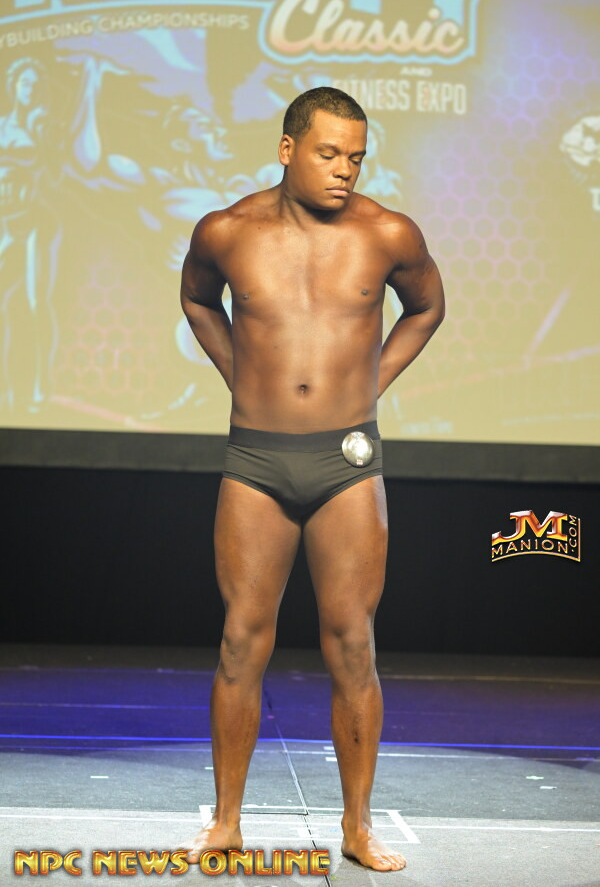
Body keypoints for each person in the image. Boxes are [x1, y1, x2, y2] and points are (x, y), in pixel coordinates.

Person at [178, 86, 445, 873]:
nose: (344, 170)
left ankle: (357, 828)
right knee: (240, 640)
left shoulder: (388, 232)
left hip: (346, 464)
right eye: (328, 153)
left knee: (353, 644)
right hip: (256, 460)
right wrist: (241, 375)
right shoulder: (227, 230)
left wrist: (371, 382)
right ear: (288, 149)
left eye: (356, 157)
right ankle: (226, 823)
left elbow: (426, 308)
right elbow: (196, 299)